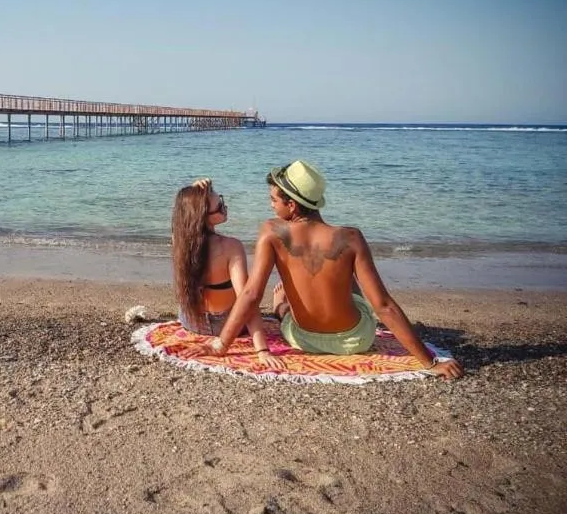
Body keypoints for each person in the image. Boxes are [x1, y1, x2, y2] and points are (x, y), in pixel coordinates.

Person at [200, 160, 464, 379]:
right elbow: (383, 305)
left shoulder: (271, 232)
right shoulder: (351, 238)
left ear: (292, 205)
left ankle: (281, 307)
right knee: (345, 271)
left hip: (301, 338)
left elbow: (250, 294)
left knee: (289, 298)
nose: (271, 205)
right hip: (356, 340)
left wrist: (222, 344)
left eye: (274, 200)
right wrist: (429, 362)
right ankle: (300, 301)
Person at [171, 178, 274, 364]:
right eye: (220, 207)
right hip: (224, 325)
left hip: (192, 322)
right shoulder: (231, 246)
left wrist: (193, 193)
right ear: (204, 216)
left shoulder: (180, 241)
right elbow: (246, 298)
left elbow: (182, 215)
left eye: (222, 201)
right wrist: (262, 349)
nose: (225, 207)